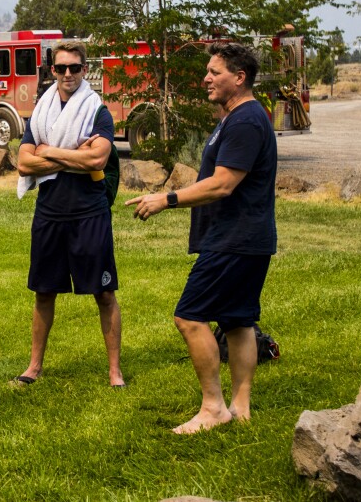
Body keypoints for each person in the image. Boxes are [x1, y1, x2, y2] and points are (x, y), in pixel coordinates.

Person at [125, 42, 277, 434]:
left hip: (234, 240)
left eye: (215, 72)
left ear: (239, 78)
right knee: (238, 321)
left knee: (190, 316)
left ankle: (213, 408)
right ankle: (240, 407)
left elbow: (223, 184)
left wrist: (167, 198)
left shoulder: (245, 121)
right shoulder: (239, 117)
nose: (206, 78)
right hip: (247, 239)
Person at [14, 40, 125, 388]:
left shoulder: (97, 111)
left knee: (104, 294)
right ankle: (33, 366)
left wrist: (48, 151)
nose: (67, 74)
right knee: (43, 292)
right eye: (60, 68)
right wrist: (71, 154)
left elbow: (97, 160)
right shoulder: (41, 112)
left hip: (89, 212)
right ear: (52, 70)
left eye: (74, 68)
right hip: (49, 212)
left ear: (84, 69)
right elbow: (22, 163)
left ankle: (114, 371)